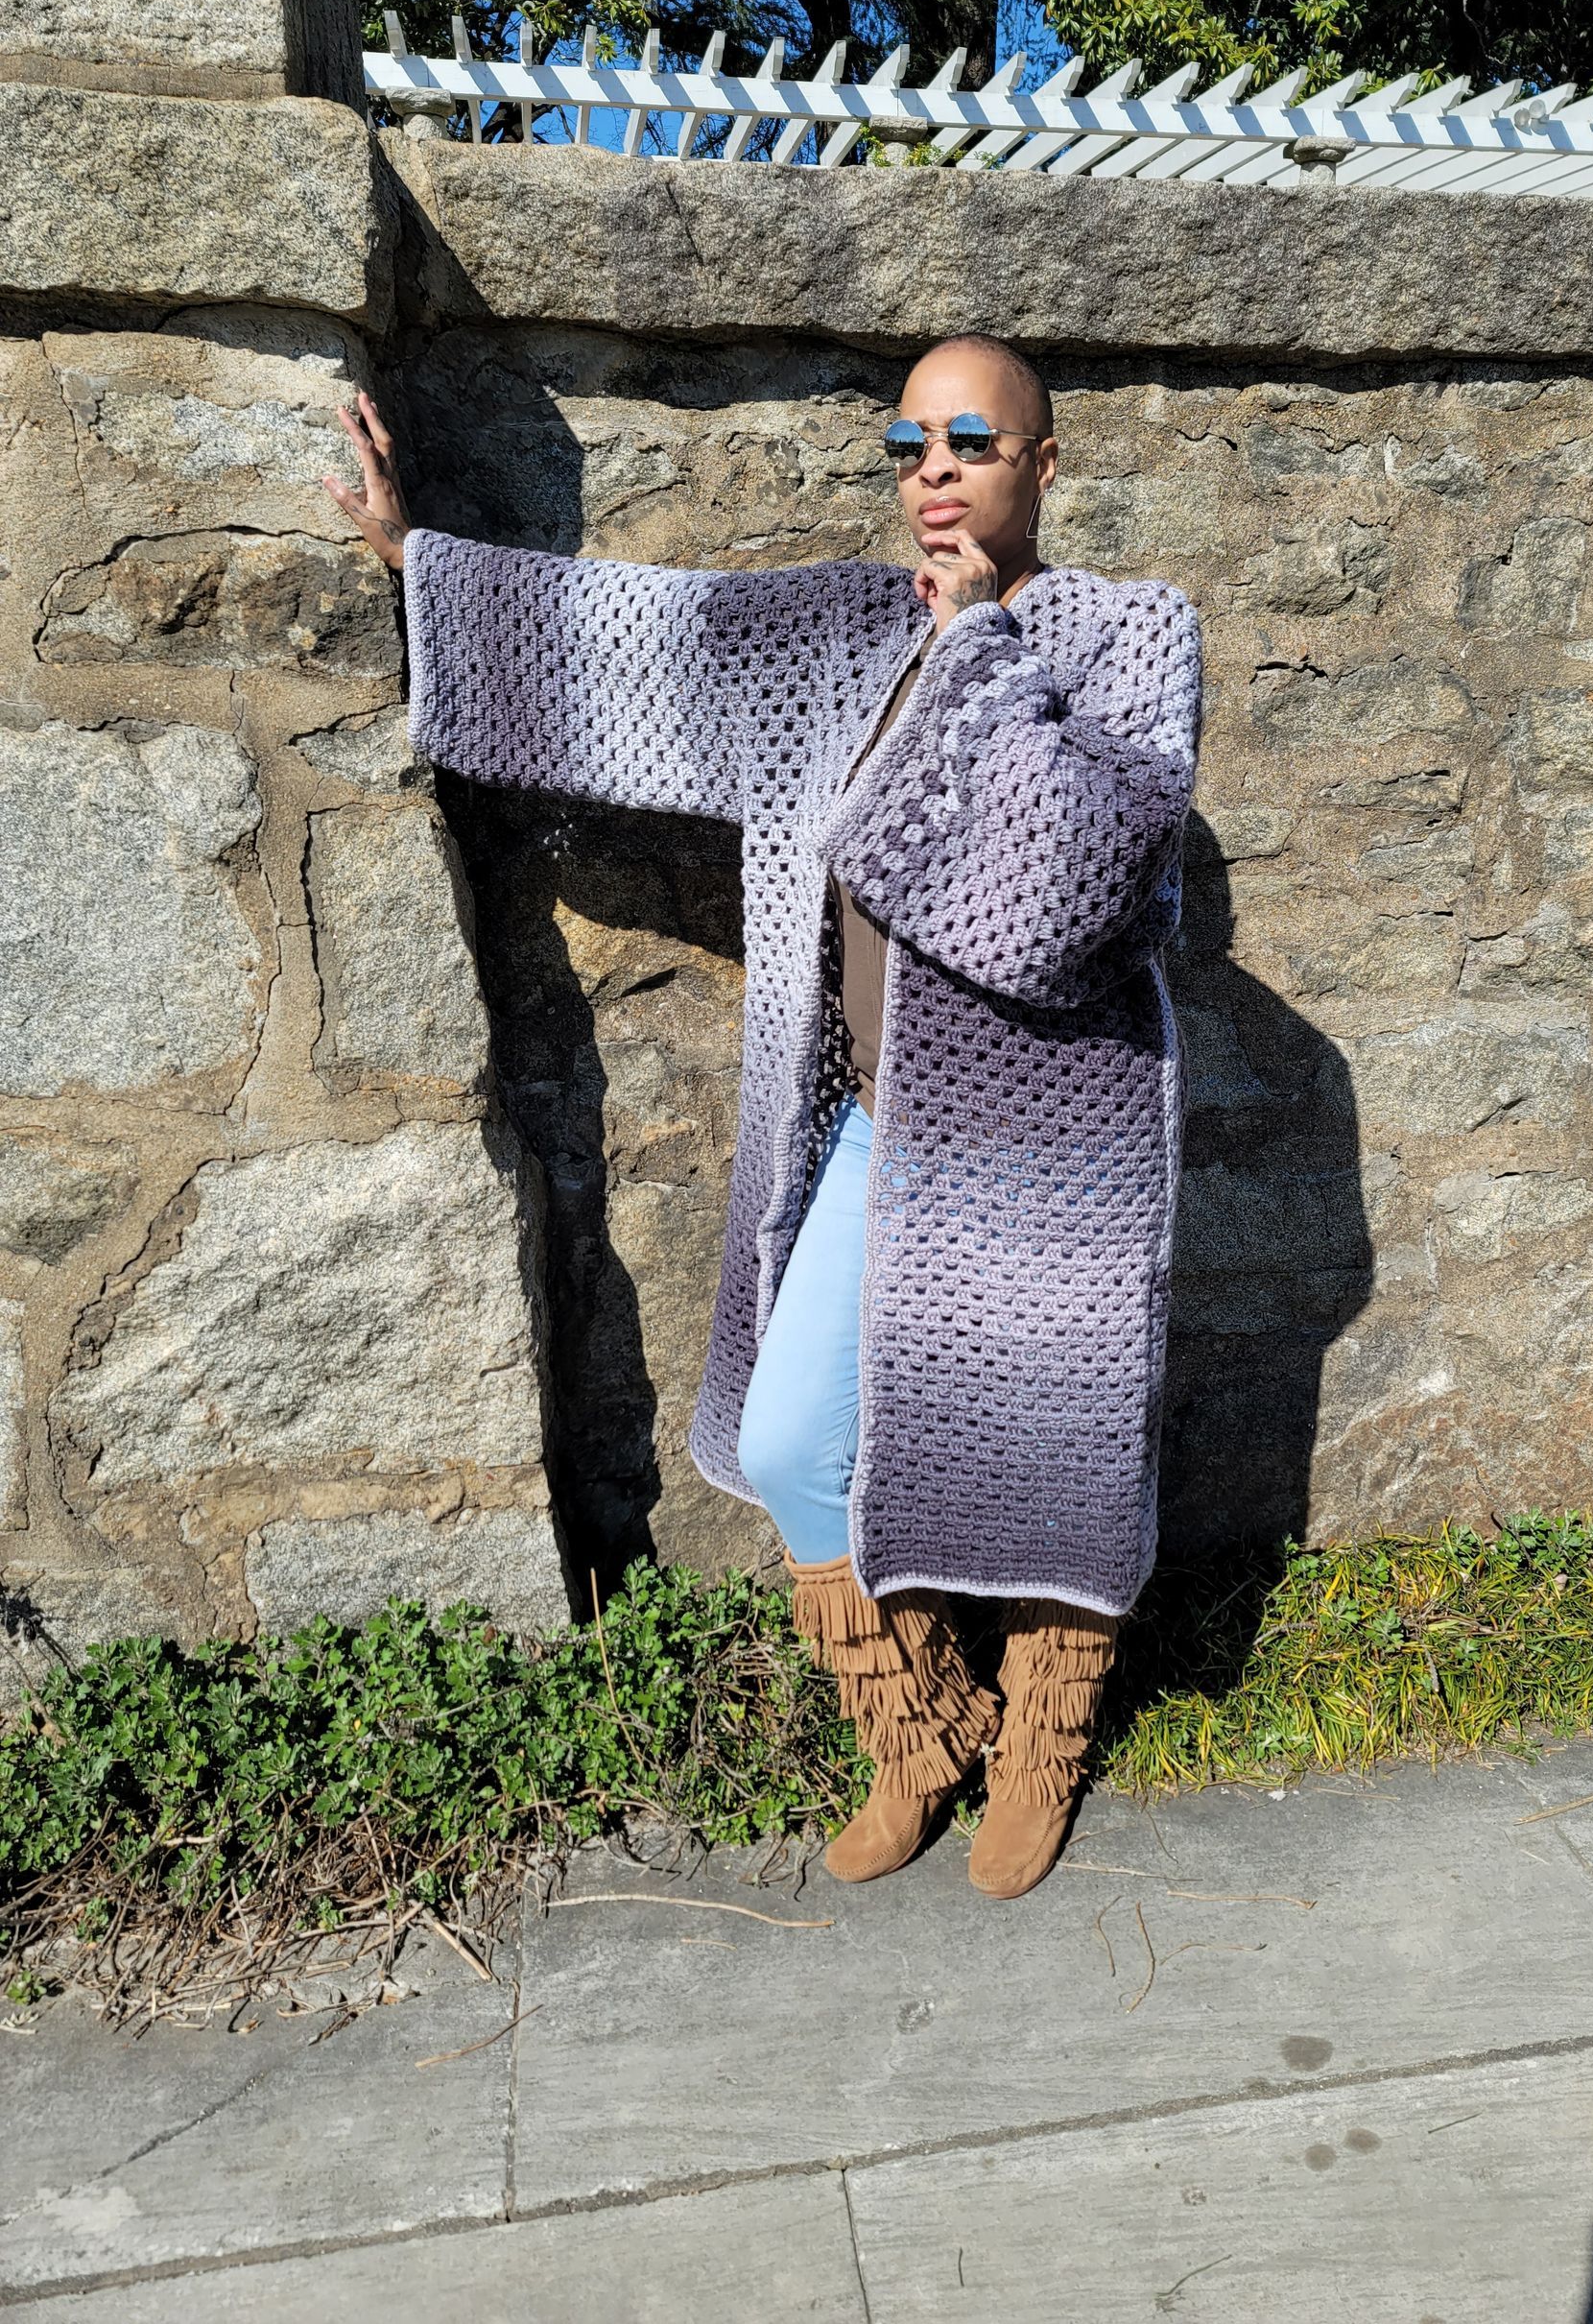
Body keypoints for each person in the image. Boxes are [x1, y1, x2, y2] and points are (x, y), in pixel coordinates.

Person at [324, 334, 1202, 1900]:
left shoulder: (1127, 639)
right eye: (909, 444)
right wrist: (428, 570)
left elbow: (1067, 888)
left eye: (972, 441)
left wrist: (986, 648)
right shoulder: (839, 635)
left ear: (1042, 467)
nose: (933, 471)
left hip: (1058, 1159)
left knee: (1056, 1460)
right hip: (876, 1134)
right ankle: (922, 1730)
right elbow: (638, 644)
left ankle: (1047, 1751)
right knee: (799, 1443)